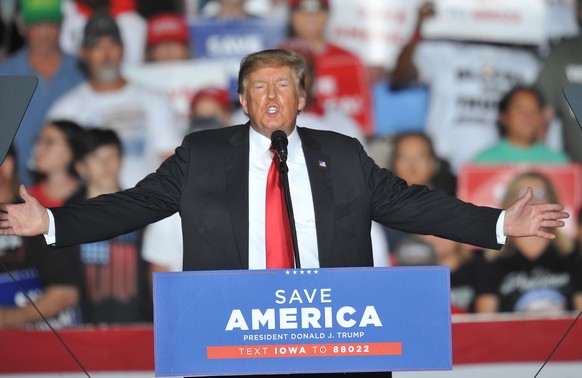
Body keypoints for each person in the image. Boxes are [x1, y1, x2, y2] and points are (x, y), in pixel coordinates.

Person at [0, 49, 570, 376]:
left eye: (282, 86)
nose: (271, 97)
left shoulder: (343, 154)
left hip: (333, 343)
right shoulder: (200, 156)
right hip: (235, 343)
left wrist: (498, 222)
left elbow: (408, 204)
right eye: (257, 88)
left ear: (303, 98)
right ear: (242, 102)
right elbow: (136, 205)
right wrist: (52, 222)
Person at [391, 2, 545, 173]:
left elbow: (541, 114)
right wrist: (420, 30)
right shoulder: (442, 51)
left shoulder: (525, 62)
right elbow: (400, 78)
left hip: (501, 167)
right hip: (446, 166)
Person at [47, 12, 181, 188]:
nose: (106, 55)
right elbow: (54, 174)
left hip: (148, 209)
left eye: (112, 45)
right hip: (89, 209)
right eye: (97, 47)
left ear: (123, 49)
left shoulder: (154, 101)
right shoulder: (64, 110)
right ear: (84, 53)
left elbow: (172, 162)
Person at [69, 128, 151, 324]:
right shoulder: (66, 216)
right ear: (81, 166)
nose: (105, 165)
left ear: (121, 160)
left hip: (138, 322)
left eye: (112, 156)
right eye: (96, 157)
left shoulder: (142, 210)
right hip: (82, 326)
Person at [0, 0, 85, 186]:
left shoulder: (81, 72)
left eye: (51, 24)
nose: (45, 33)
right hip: (16, 191)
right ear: (22, 28)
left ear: (61, 26)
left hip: (73, 192)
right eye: (36, 24)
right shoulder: (4, 74)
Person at [0, 145, 82, 329]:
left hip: (37, 339)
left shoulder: (33, 218)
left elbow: (67, 292)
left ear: (10, 164)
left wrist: (10, 318)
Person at [475, 172, 582, 314]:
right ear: (510, 203)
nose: (532, 201)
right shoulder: (493, 259)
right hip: (510, 335)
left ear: (552, 201)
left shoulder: (571, 253)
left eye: (539, 194)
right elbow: (485, 320)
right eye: (523, 194)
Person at [473, 86, 570, 163]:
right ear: (504, 117)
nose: (528, 116)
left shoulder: (559, 162)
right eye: (520, 109)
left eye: (534, 110)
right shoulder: (484, 161)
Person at [27, 120, 85, 208]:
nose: (39, 148)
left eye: (49, 142)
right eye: (39, 141)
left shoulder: (89, 200)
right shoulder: (27, 198)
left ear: (71, 151)